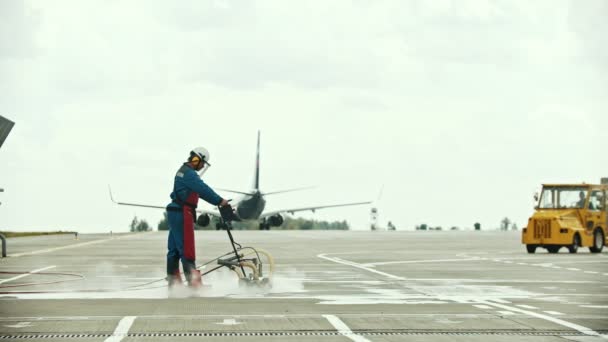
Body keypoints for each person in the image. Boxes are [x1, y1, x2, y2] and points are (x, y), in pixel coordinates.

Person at [166, 147, 231, 288]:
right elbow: (203, 189)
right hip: (182, 212)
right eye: (203, 163)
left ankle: (173, 282)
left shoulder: (182, 171)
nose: (202, 166)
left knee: (174, 250)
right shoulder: (189, 174)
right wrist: (220, 201)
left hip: (175, 212)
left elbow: (199, 190)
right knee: (187, 249)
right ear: (197, 159)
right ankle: (194, 284)